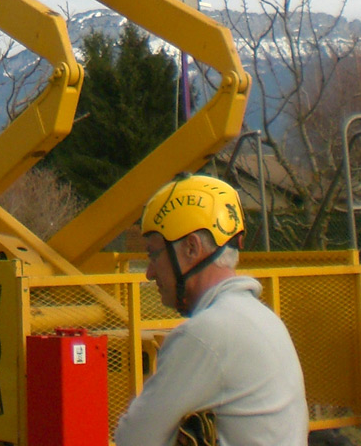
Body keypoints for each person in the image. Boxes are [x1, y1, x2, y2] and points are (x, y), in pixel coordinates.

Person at [114, 176, 308, 446]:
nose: (149, 273)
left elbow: (134, 439)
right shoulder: (263, 319)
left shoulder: (205, 334)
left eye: (154, 254)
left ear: (192, 248)